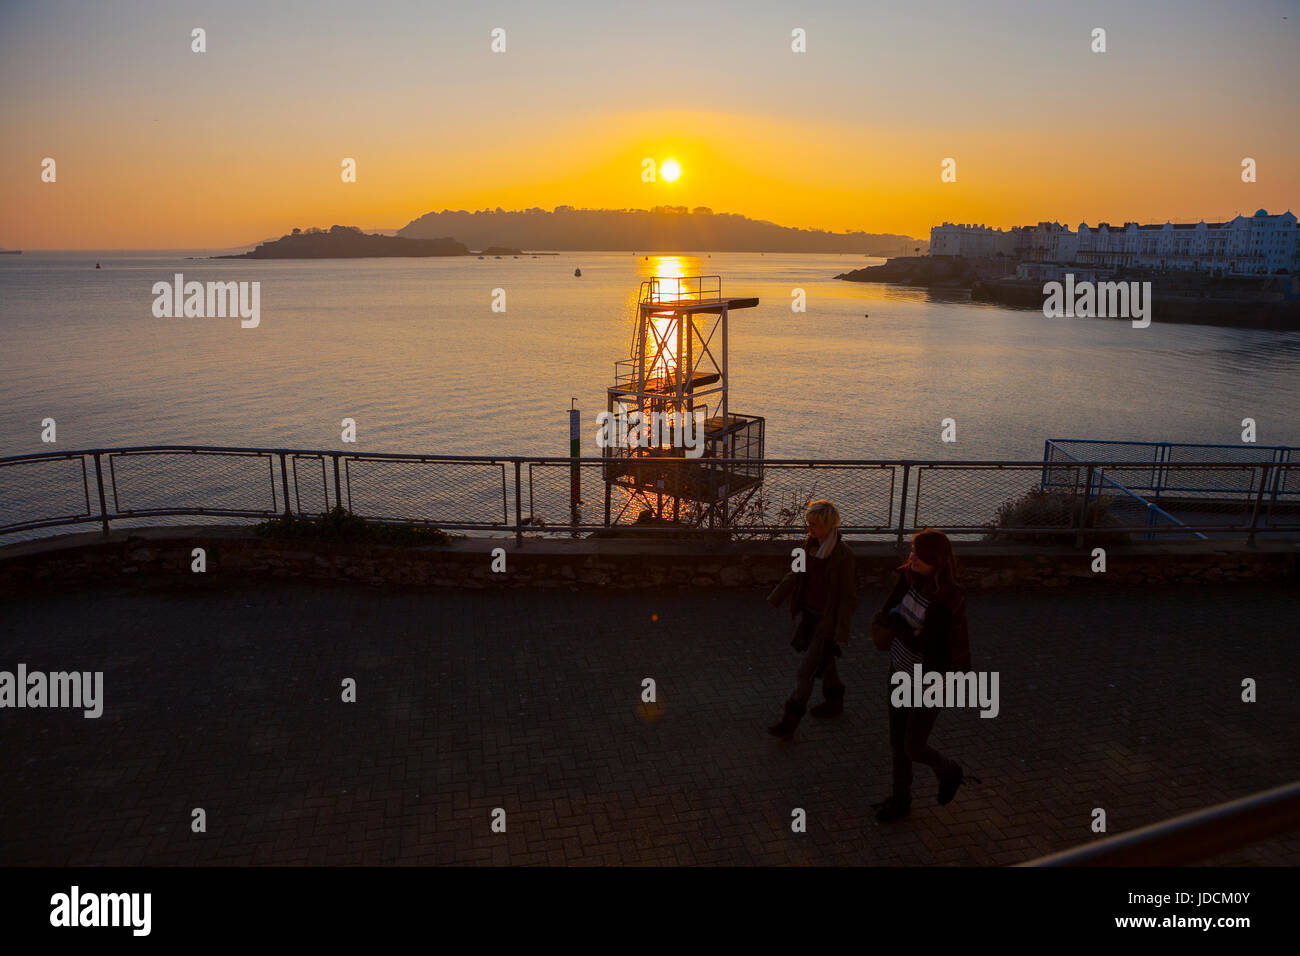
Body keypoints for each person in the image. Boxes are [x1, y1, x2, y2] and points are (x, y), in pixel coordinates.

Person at [872, 528, 972, 822]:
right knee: (897, 743)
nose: (912, 558)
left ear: (937, 562)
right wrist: (900, 624)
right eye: (913, 551)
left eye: (919, 555)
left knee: (913, 745)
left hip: (930, 682)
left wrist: (900, 626)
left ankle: (949, 770)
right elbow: (886, 612)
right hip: (899, 670)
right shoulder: (908, 577)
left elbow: (925, 643)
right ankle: (901, 800)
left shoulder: (946, 600)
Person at [765, 500, 856, 738]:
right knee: (824, 661)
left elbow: (848, 597)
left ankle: (789, 722)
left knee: (805, 673)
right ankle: (835, 701)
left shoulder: (844, 557)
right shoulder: (808, 546)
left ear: (828, 525)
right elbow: (795, 574)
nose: (809, 529)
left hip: (826, 623)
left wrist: (841, 632)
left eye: (814, 524)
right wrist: (776, 597)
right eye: (808, 523)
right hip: (809, 616)